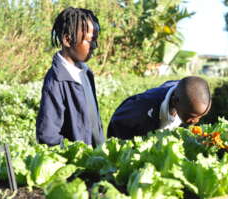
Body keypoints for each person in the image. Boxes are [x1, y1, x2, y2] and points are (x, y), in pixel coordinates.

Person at [36, 7, 105, 147]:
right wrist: (76, 157)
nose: (94, 46)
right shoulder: (56, 81)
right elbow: (48, 136)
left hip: (95, 161)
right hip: (78, 165)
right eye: (89, 40)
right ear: (67, 40)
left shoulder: (86, 73)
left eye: (95, 40)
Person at [107, 76, 211, 139]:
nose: (196, 121)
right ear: (175, 102)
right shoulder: (142, 108)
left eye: (201, 116)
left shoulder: (185, 97)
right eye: (192, 116)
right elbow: (117, 125)